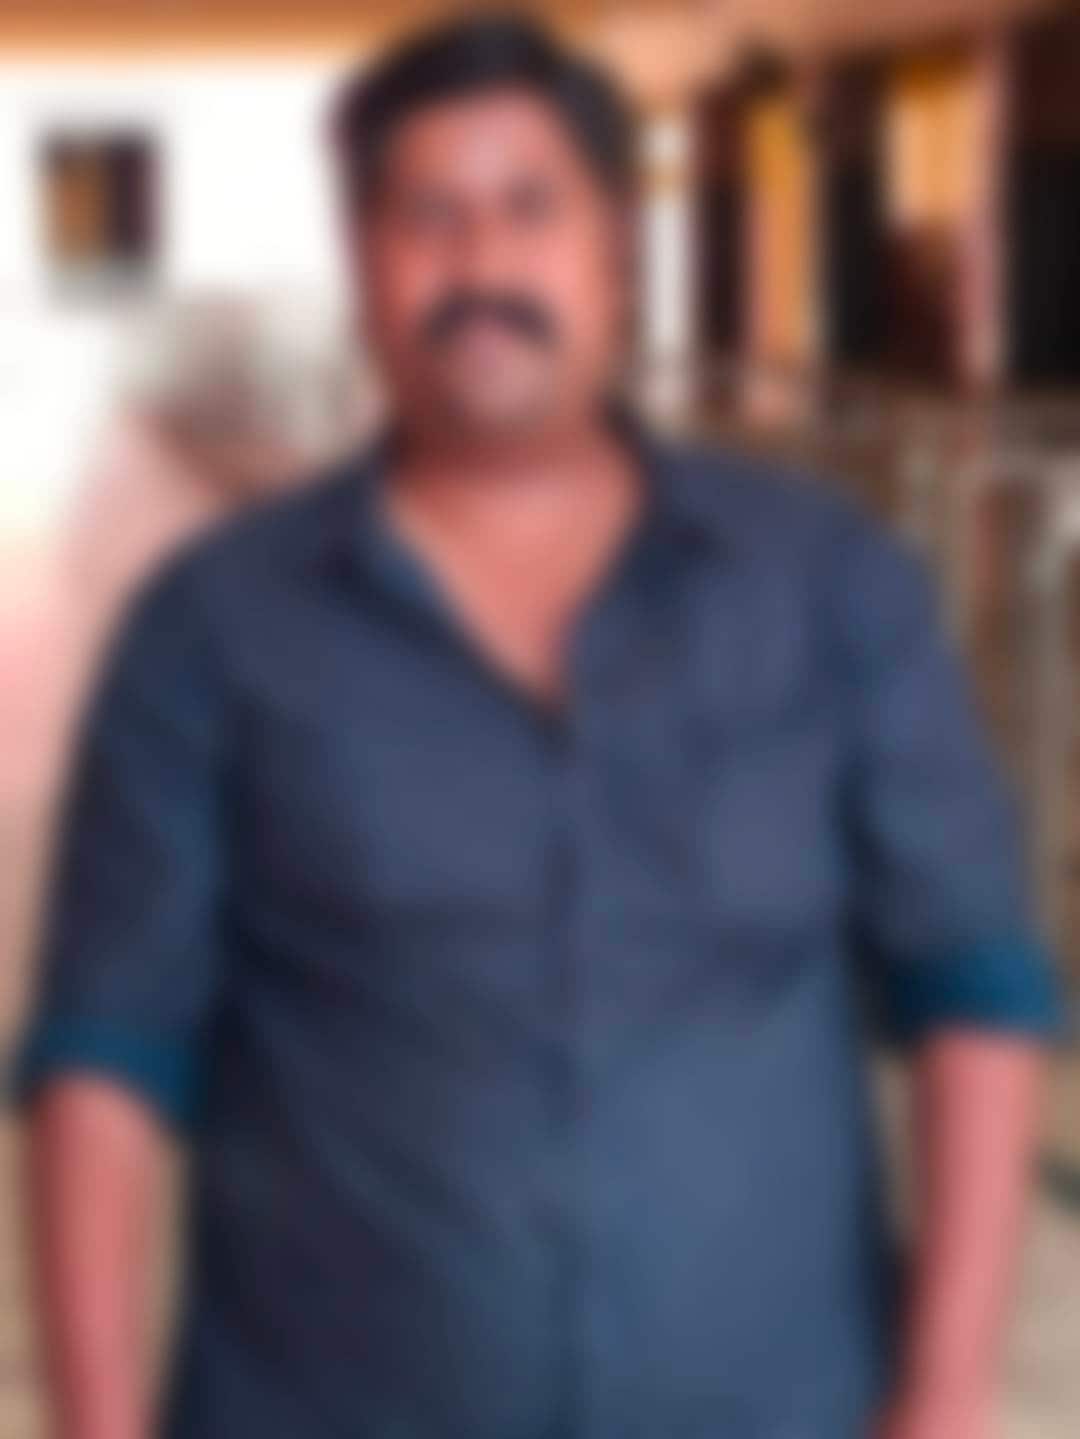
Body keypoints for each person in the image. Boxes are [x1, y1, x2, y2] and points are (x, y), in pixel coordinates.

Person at [8, 14, 1063, 1439]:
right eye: (427, 216)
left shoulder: (831, 591)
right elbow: (105, 1053)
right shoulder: (212, 631)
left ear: (617, 252)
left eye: (530, 207)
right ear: (363, 267)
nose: (482, 267)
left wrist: (941, 1400)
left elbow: (976, 985)